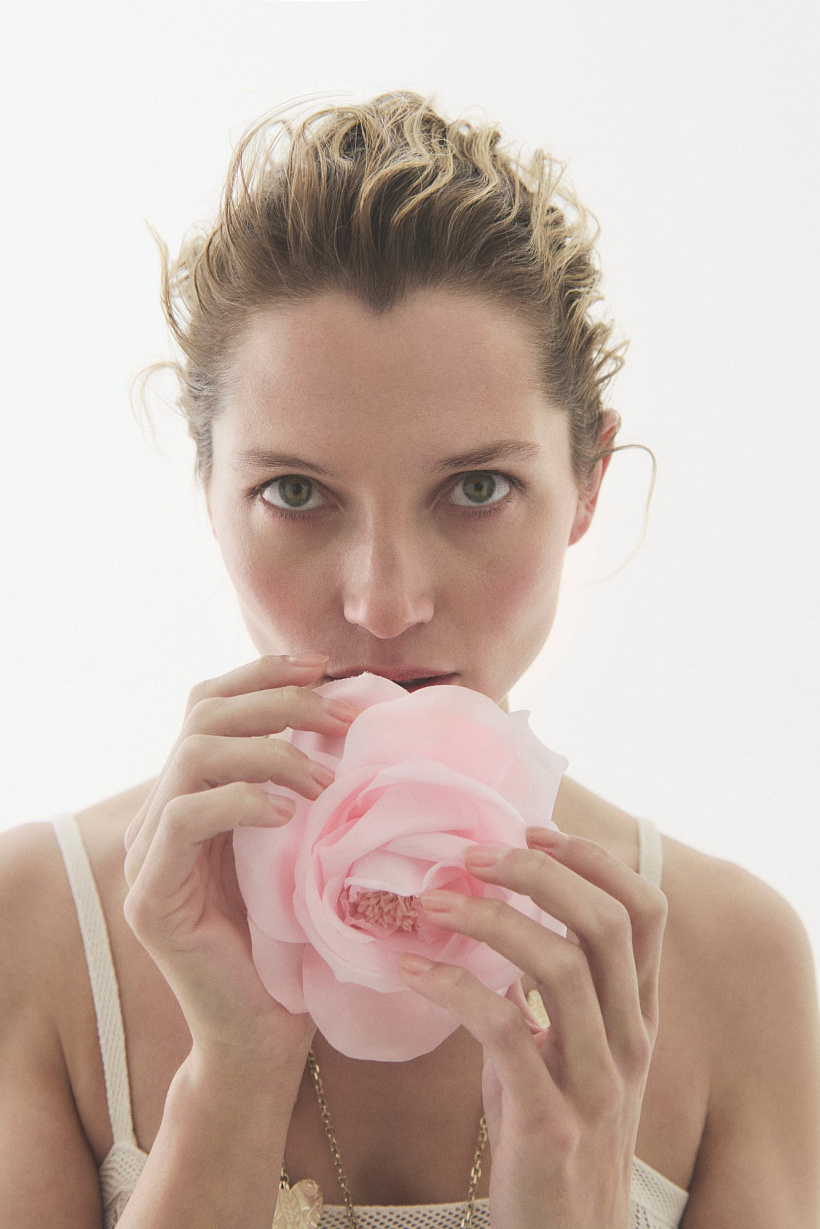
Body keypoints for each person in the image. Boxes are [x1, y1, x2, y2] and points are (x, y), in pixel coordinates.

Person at [1, 89, 817, 1229]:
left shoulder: (735, 967)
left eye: (476, 487)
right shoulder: (39, 929)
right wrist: (230, 1078)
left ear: (587, 484)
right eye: (296, 492)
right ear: (208, 485)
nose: (384, 604)